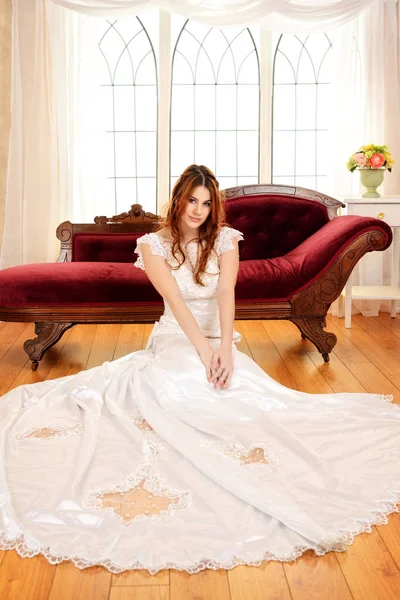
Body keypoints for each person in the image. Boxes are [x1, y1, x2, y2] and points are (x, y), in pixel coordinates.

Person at [0, 164, 399, 575]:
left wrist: (224, 348)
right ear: (178, 199)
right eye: (192, 200)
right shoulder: (152, 246)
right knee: (182, 386)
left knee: (239, 391)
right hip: (176, 337)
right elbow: (175, 301)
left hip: (217, 339)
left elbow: (227, 292)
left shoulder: (227, 240)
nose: (199, 210)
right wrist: (203, 354)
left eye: (207, 203)